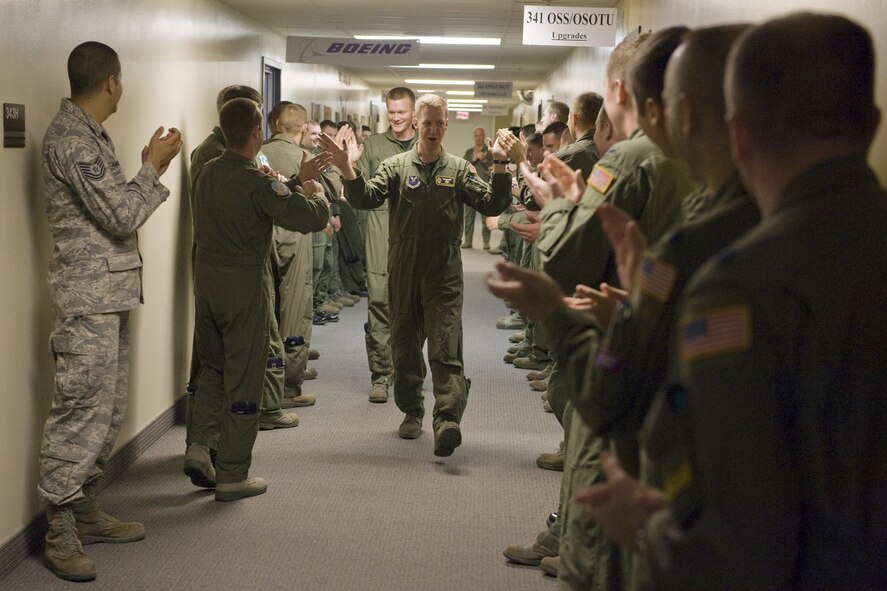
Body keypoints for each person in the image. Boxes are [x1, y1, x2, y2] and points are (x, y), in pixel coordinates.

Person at [579, 12, 887, 590]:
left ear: (735, 132)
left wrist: (642, 531)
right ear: (871, 126)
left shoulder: (738, 288)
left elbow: (733, 541)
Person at [39, 41, 182, 582]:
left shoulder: (89, 135)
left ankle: (83, 508)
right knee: (78, 415)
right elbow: (121, 216)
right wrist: (153, 166)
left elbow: (111, 211)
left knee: (105, 412)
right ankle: (59, 530)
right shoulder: (74, 140)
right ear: (112, 82)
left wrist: (145, 168)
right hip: (86, 305)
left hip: (108, 297)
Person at [323, 94, 512, 456]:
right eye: (428, 123)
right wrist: (348, 169)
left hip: (444, 273)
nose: (434, 129)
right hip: (404, 270)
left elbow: (492, 203)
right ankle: (412, 410)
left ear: (445, 126)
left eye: (440, 123)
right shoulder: (395, 166)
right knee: (405, 347)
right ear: (416, 125)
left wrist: (501, 164)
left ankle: (447, 419)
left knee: (445, 346)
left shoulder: (458, 169)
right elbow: (366, 198)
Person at [190, 98, 329, 503]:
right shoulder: (256, 181)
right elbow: (310, 217)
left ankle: (200, 446)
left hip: (207, 286)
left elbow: (264, 195)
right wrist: (312, 189)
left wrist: (287, 180)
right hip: (243, 289)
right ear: (256, 133)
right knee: (245, 379)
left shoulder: (207, 172)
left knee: (212, 369)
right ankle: (233, 473)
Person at [262, 103, 332, 408]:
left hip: (263, 237)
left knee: (266, 308)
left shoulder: (259, 154)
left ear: (275, 124)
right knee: (295, 309)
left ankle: (265, 381)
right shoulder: (305, 158)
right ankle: (289, 386)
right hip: (296, 236)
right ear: (303, 129)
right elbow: (323, 197)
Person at [352, 87, 418, 403]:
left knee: (414, 309)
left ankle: (407, 368)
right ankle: (381, 375)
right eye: (391, 112)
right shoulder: (374, 146)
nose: (396, 117)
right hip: (380, 234)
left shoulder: (428, 146)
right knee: (379, 302)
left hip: (418, 239)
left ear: (414, 113)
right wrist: (346, 165)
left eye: (402, 112)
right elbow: (357, 188)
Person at [461, 126, 494, 250]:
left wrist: (484, 160)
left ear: (484, 137)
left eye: (481, 135)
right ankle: (468, 241)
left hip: (485, 188)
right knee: (468, 217)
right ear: (473, 137)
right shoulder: (469, 152)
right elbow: (464, 167)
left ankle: (486, 242)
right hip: (470, 188)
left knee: (486, 216)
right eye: (476, 135)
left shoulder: (489, 152)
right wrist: (474, 159)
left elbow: (494, 167)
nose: (478, 138)